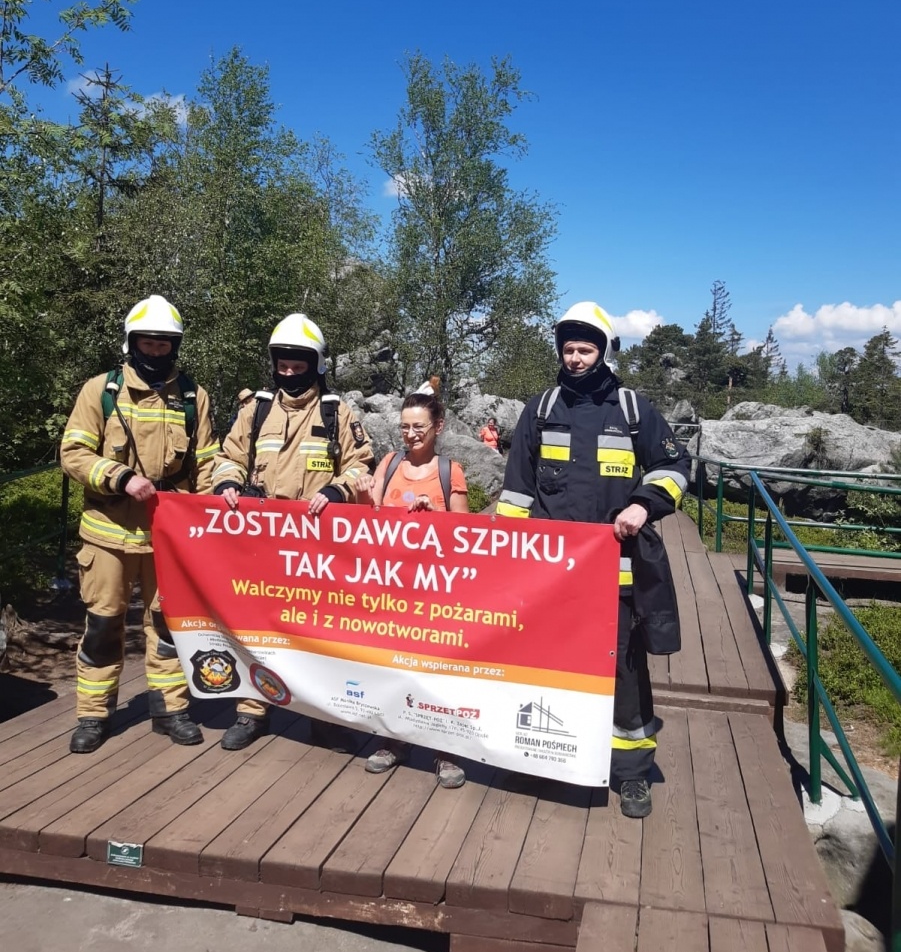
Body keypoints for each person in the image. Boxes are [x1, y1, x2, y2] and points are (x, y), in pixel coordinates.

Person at [496, 302, 690, 818]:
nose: (576, 358)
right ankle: (543, 756)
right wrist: (510, 566)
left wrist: (643, 504)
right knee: (547, 663)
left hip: (616, 575)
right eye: (569, 349)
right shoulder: (541, 409)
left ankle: (632, 772)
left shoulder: (632, 410)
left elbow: (675, 465)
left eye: (586, 349)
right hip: (551, 577)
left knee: (624, 671)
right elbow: (516, 491)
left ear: (604, 352)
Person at [61, 295, 219, 753]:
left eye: (163, 344)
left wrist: (207, 519)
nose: (155, 351)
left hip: (167, 538)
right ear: (132, 342)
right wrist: (120, 477)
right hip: (107, 534)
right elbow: (73, 452)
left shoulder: (193, 396)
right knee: (102, 626)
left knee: (169, 627)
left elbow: (207, 464)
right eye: (147, 343)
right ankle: (93, 716)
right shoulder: (101, 390)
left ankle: (170, 710)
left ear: (175, 346)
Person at [212, 313, 374, 751]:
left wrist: (338, 490)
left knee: (317, 632)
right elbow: (227, 456)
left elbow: (361, 463)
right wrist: (227, 483)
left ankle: (322, 719)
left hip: (314, 548)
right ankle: (251, 711)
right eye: (282, 365)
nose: (288, 373)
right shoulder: (256, 409)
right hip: (258, 544)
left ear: (315, 365)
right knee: (253, 627)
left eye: (297, 366)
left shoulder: (336, 411)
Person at [354, 393, 470, 787]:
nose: (411, 433)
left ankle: (445, 752)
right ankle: (393, 742)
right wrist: (361, 490)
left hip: (435, 594)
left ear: (438, 426)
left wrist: (436, 516)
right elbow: (366, 519)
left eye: (419, 426)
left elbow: (467, 535)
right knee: (392, 668)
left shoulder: (449, 472)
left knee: (438, 673)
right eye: (404, 426)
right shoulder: (388, 464)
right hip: (391, 589)